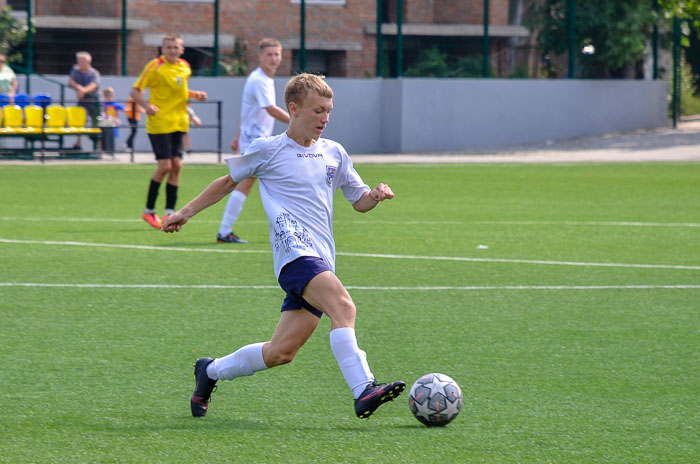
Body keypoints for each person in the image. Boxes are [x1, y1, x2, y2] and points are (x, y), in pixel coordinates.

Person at [162, 73, 405, 420]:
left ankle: (210, 371)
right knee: (344, 308)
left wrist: (376, 196)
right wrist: (185, 212)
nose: (325, 118)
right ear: (293, 109)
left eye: (329, 111)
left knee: (281, 352)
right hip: (294, 254)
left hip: (320, 258)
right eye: (318, 111)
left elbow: (359, 201)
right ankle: (363, 388)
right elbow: (227, 182)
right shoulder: (269, 149)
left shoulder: (334, 152)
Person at [216, 37, 290, 244]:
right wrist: (297, 121)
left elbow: (247, 111)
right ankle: (224, 232)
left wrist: (238, 135)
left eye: (277, 54)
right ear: (260, 57)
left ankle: (225, 231)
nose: (274, 58)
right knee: (243, 182)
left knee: (245, 183)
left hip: (254, 140)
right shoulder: (259, 80)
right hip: (255, 141)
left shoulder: (263, 79)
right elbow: (270, 109)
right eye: (269, 54)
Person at [130, 33, 208, 229]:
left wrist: (195, 95)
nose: (172, 50)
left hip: (179, 122)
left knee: (177, 166)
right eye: (169, 47)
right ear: (163, 50)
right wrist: (146, 106)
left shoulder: (184, 67)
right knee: (165, 166)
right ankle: (148, 210)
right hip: (159, 123)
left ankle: (169, 213)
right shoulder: (154, 66)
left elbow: (179, 90)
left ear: (182, 50)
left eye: (176, 47)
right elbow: (135, 91)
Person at [68, 51, 100, 149]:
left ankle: (98, 147)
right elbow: (71, 81)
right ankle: (78, 143)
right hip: (81, 100)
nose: (81, 63)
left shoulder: (94, 73)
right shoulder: (75, 70)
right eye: (79, 61)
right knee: (79, 121)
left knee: (96, 122)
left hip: (93, 101)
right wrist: (79, 88)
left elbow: (94, 85)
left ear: (89, 62)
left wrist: (83, 91)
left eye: (83, 61)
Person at [100, 87, 125, 154]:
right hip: (104, 124)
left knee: (111, 137)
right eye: (107, 94)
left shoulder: (115, 104)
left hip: (113, 123)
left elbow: (125, 109)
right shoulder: (103, 104)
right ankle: (103, 151)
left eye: (110, 94)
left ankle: (111, 151)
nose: (109, 96)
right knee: (103, 137)